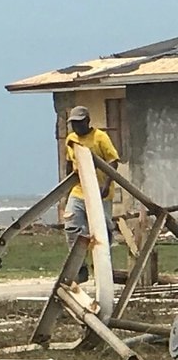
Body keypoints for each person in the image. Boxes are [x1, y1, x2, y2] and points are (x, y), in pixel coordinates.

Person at [63, 105, 120, 283]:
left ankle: (102, 268)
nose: (76, 127)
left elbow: (113, 161)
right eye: (73, 124)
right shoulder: (71, 139)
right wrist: (66, 188)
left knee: (102, 231)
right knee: (72, 226)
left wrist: (107, 184)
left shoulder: (100, 137)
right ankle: (80, 268)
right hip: (79, 191)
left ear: (87, 121)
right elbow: (68, 163)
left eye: (80, 123)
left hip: (100, 192)